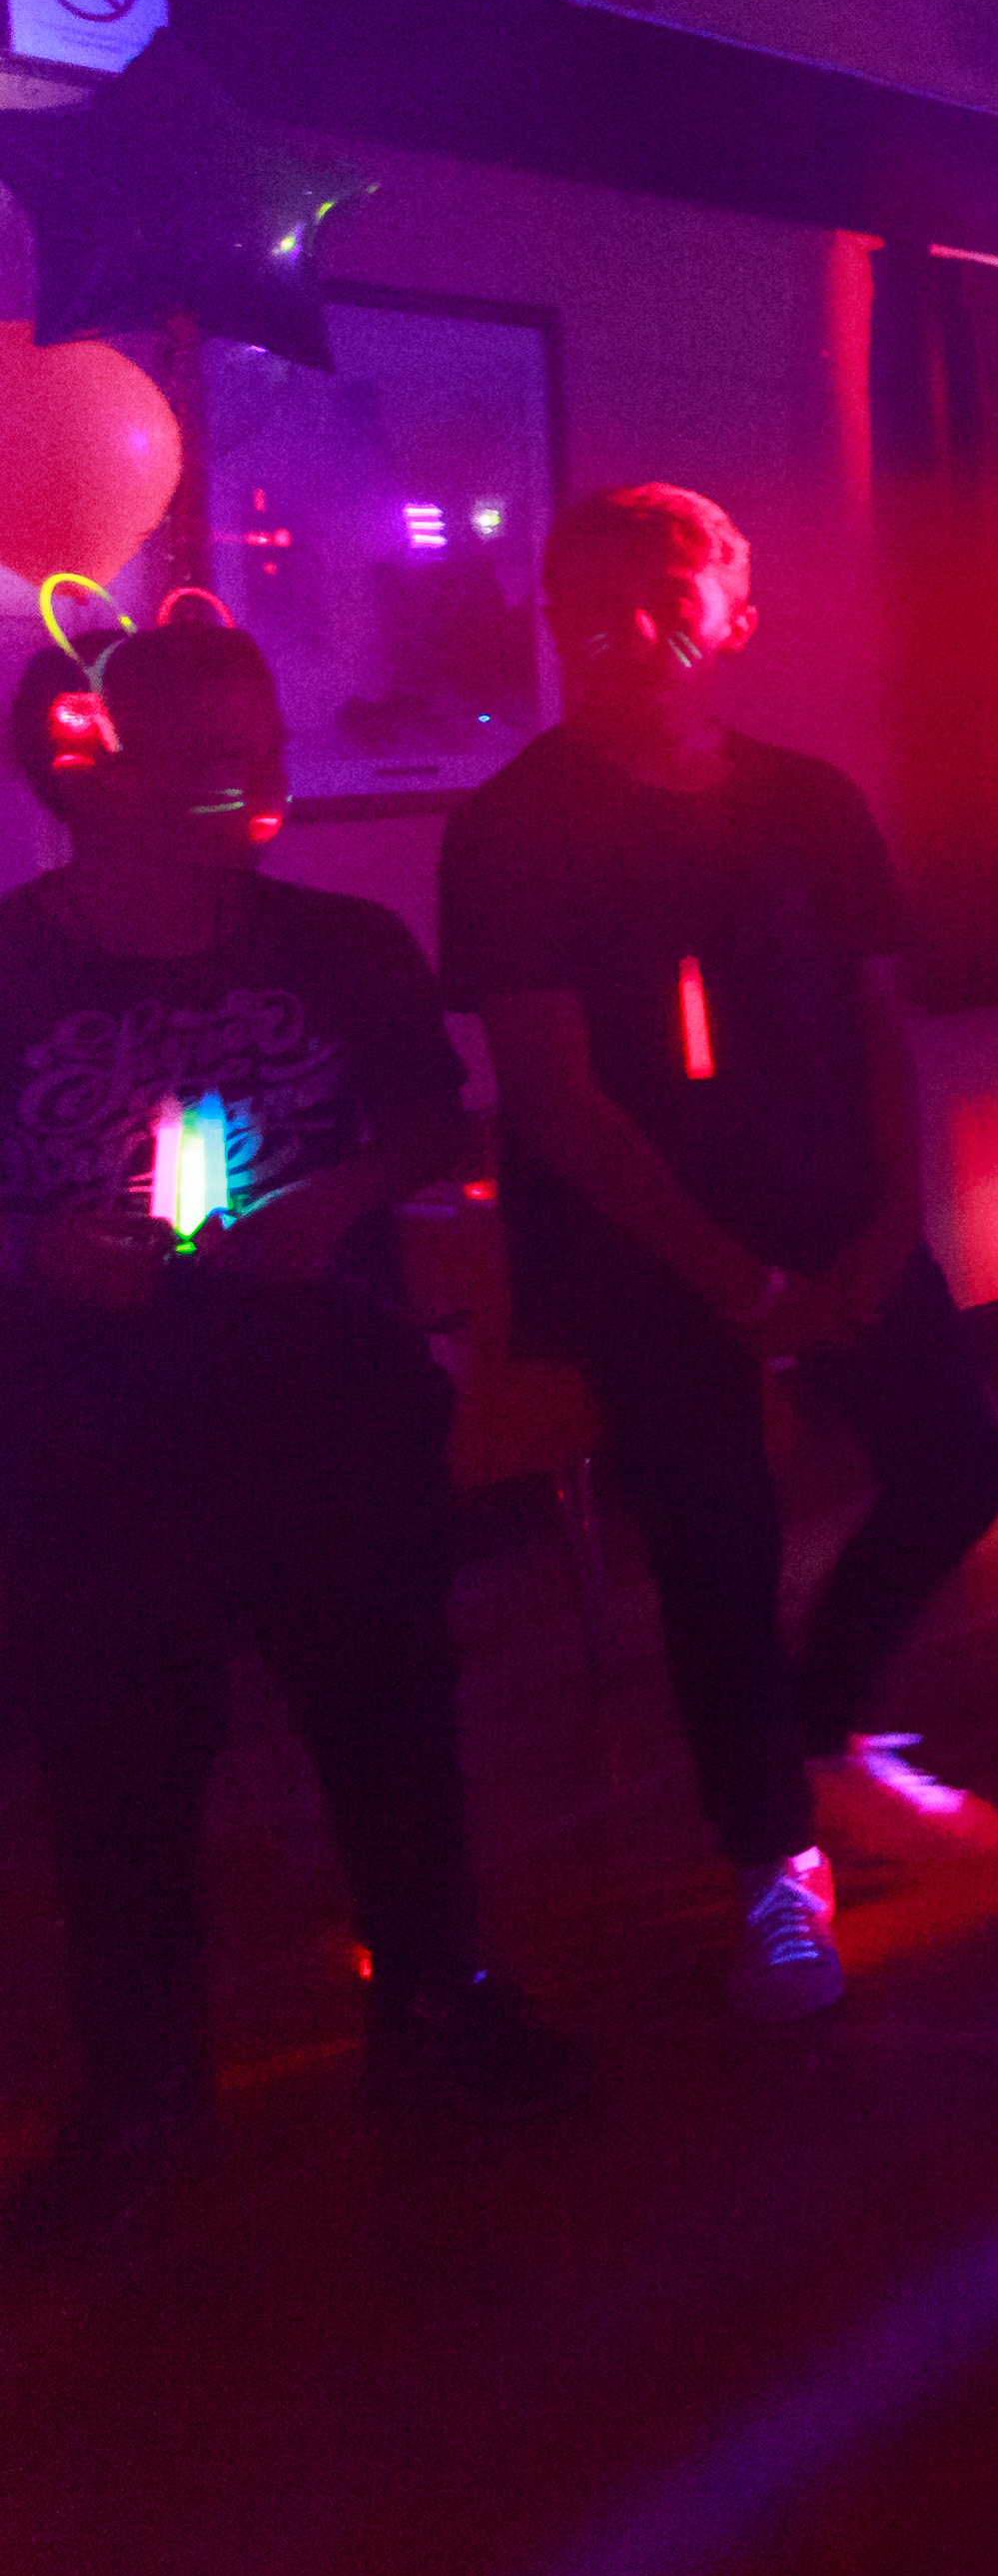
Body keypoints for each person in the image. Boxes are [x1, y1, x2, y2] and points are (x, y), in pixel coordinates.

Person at [1, 597, 579, 2241]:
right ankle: (141, 2078)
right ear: (83, 773)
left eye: (259, 753)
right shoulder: (8, 964)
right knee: (119, 1760)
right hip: (91, 1432)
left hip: (324, 1398)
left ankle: (435, 1991)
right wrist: (38, 1243)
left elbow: (426, 1119)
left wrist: (330, 1205)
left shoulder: (342, 945)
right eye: (204, 761)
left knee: (390, 1716)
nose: (249, 788)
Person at [443, 486, 998, 2023]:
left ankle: (820, 1736)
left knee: (958, 1465)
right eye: (601, 596)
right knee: (715, 1548)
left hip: (833, 1218)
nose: (632, 627)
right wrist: (723, 1280)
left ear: (733, 620)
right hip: (643, 1261)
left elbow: (882, 1028)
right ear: (558, 611)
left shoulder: (809, 804)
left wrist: (892, 1219)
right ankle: (774, 1861)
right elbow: (555, 1092)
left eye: (668, 596)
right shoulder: (514, 826)